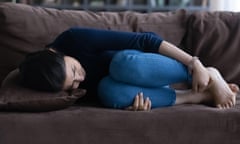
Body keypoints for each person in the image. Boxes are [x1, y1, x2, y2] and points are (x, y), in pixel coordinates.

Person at [18, 27, 239, 111]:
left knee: (120, 65)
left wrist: (195, 63)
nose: (80, 79)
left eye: (75, 70)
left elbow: (147, 40)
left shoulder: (73, 39)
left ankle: (211, 75)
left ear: (55, 53)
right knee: (108, 92)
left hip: (143, 67)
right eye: (73, 84)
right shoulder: (52, 82)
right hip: (135, 87)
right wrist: (132, 105)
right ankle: (196, 97)